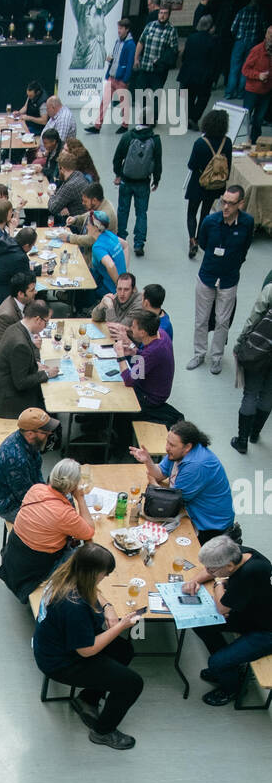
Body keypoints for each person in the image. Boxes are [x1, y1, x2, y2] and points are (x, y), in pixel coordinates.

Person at [32, 544, 144, 749]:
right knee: (133, 684)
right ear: (92, 573)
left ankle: (88, 699)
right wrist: (121, 625)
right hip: (61, 662)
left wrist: (108, 607)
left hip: (52, 644)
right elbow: (87, 650)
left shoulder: (67, 570)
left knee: (123, 650)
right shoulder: (73, 606)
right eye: (103, 574)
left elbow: (93, 590)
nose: (105, 578)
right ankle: (103, 732)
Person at [182, 534, 272, 704]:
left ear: (229, 566)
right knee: (201, 623)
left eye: (211, 570)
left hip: (265, 630)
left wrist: (218, 583)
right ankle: (230, 664)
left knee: (215, 662)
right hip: (250, 613)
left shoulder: (250, 572)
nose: (207, 572)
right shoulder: (239, 553)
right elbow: (213, 572)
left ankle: (233, 689)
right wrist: (194, 580)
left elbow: (222, 607)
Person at [0, 457, 95, 605]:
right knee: (87, 554)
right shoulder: (64, 514)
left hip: (15, 551)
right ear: (73, 485)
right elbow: (89, 531)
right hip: (35, 566)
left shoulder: (36, 489)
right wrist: (80, 498)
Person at [130, 420, 237, 544]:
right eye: (167, 442)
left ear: (187, 447)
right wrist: (148, 461)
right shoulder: (176, 453)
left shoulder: (196, 465)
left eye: (172, 445)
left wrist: (153, 482)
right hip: (191, 512)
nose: (167, 447)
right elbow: (160, 473)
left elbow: (170, 502)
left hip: (210, 527)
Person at [188, 185, 253, 375]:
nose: (225, 207)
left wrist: (232, 265)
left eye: (231, 204)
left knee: (222, 321)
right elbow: (205, 243)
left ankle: (216, 357)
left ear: (240, 204)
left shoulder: (247, 223)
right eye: (224, 202)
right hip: (207, 276)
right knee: (201, 319)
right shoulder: (209, 221)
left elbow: (245, 248)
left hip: (229, 280)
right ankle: (199, 354)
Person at [0, 299, 57, 420]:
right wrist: (46, 373)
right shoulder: (21, 345)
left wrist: (35, 363)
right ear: (37, 319)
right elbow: (21, 383)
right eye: (46, 322)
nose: (45, 326)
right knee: (49, 409)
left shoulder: (15, 327)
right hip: (4, 400)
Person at [0, 408, 60, 523]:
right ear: (30, 433)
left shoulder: (29, 442)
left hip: (24, 492)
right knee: (55, 521)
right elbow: (26, 498)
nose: (50, 434)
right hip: (8, 505)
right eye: (45, 432)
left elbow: (36, 475)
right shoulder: (15, 459)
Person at [110, 309, 178, 426]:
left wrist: (120, 355)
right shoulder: (161, 334)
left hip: (149, 399)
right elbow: (146, 358)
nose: (130, 328)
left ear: (142, 333)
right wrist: (134, 351)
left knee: (114, 393)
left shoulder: (152, 352)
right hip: (152, 388)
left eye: (134, 327)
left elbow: (129, 380)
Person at [230, 278, 272, 451]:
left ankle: (242, 441)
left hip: (260, 350)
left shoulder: (270, 289)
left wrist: (240, 342)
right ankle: (254, 434)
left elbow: (254, 317)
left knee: (251, 393)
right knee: (268, 393)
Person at [185, 109, 232, 259]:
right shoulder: (227, 142)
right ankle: (200, 237)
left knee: (192, 212)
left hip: (199, 182)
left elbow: (191, 164)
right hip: (215, 184)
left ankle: (192, 240)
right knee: (205, 212)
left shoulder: (200, 143)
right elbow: (228, 165)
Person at [113, 119, 162, 258]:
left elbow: (117, 157)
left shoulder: (128, 136)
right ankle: (139, 244)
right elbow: (158, 162)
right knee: (141, 213)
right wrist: (156, 179)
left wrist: (118, 174)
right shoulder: (155, 140)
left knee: (123, 210)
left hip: (126, 181)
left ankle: (121, 240)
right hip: (143, 182)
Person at [0, 226, 40, 324]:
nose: (31, 248)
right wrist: (37, 270)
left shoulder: (7, 244)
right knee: (29, 292)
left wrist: (35, 269)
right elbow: (26, 280)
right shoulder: (20, 257)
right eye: (32, 246)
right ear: (26, 246)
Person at [131, 4, 180, 125]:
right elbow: (141, 42)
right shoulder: (150, 26)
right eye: (160, 13)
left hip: (158, 70)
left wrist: (163, 62)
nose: (162, 15)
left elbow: (174, 50)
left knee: (155, 94)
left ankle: (153, 119)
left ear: (168, 15)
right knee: (141, 91)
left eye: (165, 13)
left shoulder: (171, 30)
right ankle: (143, 116)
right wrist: (136, 58)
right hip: (145, 65)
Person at [86, 18, 135, 134]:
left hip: (121, 79)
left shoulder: (131, 45)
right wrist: (109, 64)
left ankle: (125, 124)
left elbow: (129, 64)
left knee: (124, 102)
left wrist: (125, 79)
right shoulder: (117, 42)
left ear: (127, 29)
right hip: (112, 76)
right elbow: (115, 57)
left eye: (121, 28)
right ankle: (97, 125)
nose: (119, 31)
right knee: (105, 101)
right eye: (118, 28)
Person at [57, 182, 118, 260]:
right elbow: (89, 214)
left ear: (94, 200)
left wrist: (69, 238)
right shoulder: (100, 204)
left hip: (96, 258)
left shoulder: (104, 215)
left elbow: (91, 239)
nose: (83, 203)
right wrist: (76, 219)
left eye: (85, 201)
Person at [179, 15, 219, 130]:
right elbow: (215, 60)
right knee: (203, 97)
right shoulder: (213, 40)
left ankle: (187, 117)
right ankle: (194, 117)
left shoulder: (191, 37)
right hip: (204, 75)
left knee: (189, 97)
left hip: (188, 73)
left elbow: (185, 55)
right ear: (210, 27)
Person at [0, 271, 39, 358]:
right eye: (32, 290)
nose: (36, 292)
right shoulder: (5, 317)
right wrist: (32, 344)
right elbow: (4, 349)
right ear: (21, 294)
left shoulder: (26, 301)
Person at [226, 0, 266, 99]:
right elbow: (263, 29)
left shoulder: (242, 11)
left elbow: (233, 28)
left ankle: (229, 92)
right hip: (252, 43)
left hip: (240, 41)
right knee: (246, 67)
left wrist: (238, 35)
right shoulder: (259, 13)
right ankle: (240, 92)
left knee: (234, 67)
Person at [241, 24, 272, 142]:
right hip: (252, 90)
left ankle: (254, 141)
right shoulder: (257, 50)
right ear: (266, 35)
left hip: (266, 90)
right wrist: (258, 75)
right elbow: (245, 69)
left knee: (259, 119)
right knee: (246, 118)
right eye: (270, 35)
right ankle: (243, 140)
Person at [86, 210, 127, 300]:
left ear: (95, 228)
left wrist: (118, 285)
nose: (86, 226)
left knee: (85, 280)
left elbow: (111, 265)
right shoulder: (110, 235)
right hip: (124, 281)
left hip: (111, 288)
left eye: (88, 224)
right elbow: (125, 245)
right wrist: (125, 270)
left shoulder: (98, 247)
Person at [47, 154, 89, 222]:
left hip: (74, 223)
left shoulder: (70, 186)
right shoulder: (79, 174)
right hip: (81, 216)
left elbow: (53, 208)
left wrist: (51, 194)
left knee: (46, 216)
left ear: (62, 169)